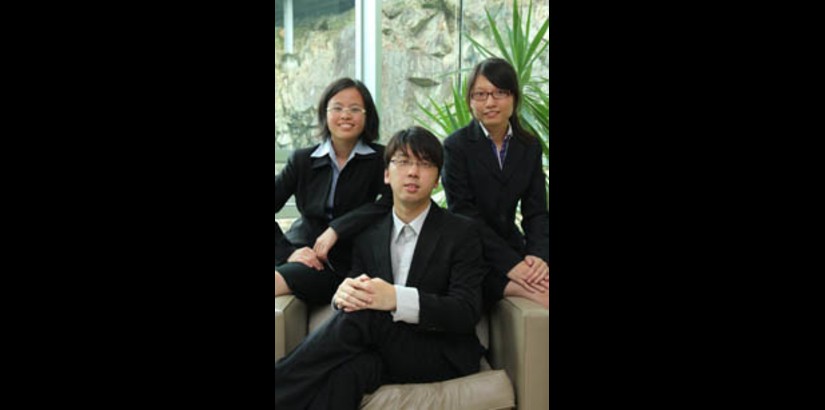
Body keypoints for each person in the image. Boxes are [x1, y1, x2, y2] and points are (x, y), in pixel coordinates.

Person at [275, 126, 488, 409]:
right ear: (387, 174)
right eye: (403, 162)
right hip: (384, 350)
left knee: (367, 316)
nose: (413, 172)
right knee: (347, 373)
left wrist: (396, 298)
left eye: (425, 164)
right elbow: (354, 287)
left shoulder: (463, 233)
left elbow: (466, 311)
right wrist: (342, 296)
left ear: (437, 179)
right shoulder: (368, 235)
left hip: (441, 351)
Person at [442, 57, 550, 309]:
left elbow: (536, 212)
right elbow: (464, 215)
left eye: (499, 93)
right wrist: (511, 265)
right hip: (469, 253)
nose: (490, 102)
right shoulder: (456, 147)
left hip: (514, 247)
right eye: (481, 94)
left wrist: (537, 257)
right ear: (470, 101)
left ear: (514, 97)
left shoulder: (529, 146)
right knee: (542, 295)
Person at [275, 78, 392, 305]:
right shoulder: (302, 160)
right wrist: (287, 252)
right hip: (303, 252)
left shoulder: (382, 159)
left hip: (348, 261)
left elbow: (390, 202)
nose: (345, 115)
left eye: (355, 109)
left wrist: (337, 229)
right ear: (325, 114)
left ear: (367, 116)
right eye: (337, 108)